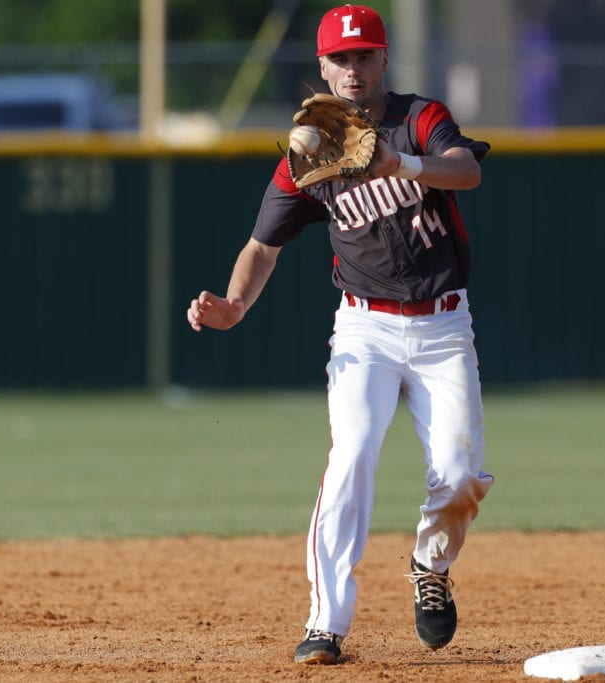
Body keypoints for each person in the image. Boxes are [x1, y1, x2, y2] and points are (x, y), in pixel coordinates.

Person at [187, 4, 494, 666]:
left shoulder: (420, 118)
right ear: (323, 67)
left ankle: (430, 565)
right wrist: (236, 302)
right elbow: (261, 246)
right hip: (366, 327)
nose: (353, 68)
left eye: (365, 56)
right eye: (341, 59)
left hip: (443, 325)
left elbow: (466, 170)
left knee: (462, 473)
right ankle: (325, 622)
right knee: (352, 454)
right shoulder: (312, 145)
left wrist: (400, 164)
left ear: (384, 59)